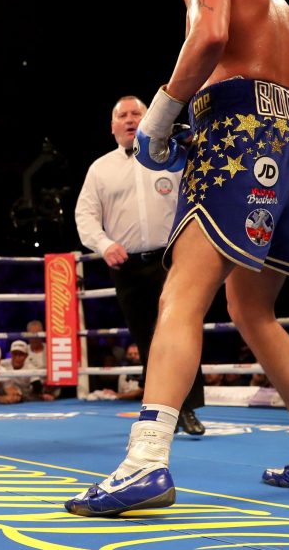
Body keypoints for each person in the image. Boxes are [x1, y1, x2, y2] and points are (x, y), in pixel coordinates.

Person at [66, 0, 289, 517]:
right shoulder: (279, 6)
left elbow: (209, 40)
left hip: (245, 140)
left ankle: (145, 463)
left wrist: (161, 113)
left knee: (180, 297)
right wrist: (193, 121)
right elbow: (256, 85)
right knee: (250, 309)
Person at [75, 94, 205, 434]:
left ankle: (188, 410)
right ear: (113, 126)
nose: (131, 120)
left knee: (181, 332)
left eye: (137, 113)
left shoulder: (174, 159)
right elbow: (85, 215)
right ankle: (160, 414)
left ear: (150, 119)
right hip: (127, 265)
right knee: (146, 338)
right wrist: (104, 245)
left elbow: (197, 197)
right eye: (124, 115)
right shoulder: (100, 168)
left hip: (172, 258)